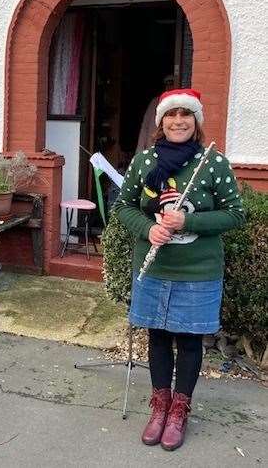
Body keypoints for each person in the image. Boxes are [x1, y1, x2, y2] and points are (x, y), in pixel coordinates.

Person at [114, 88, 245, 451]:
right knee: (157, 336)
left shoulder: (212, 163)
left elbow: (235, 214)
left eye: (186, 115)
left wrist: (188, 219)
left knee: (188, 340)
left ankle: (179, 410)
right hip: (154, 267)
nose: (178, 121)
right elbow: (123, 206)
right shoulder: (145, 161)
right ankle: (159, 406)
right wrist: (147, 228)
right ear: (161, 122)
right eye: (171, 115)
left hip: (197, 270)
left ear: (196, 121)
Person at [136, 74, 175, 152]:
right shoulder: (155, 102)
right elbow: (145, 126)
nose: (169, 87)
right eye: (167, 84)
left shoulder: (179, 103)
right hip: (152, 146)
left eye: (171, 84)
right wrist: (139, 149)